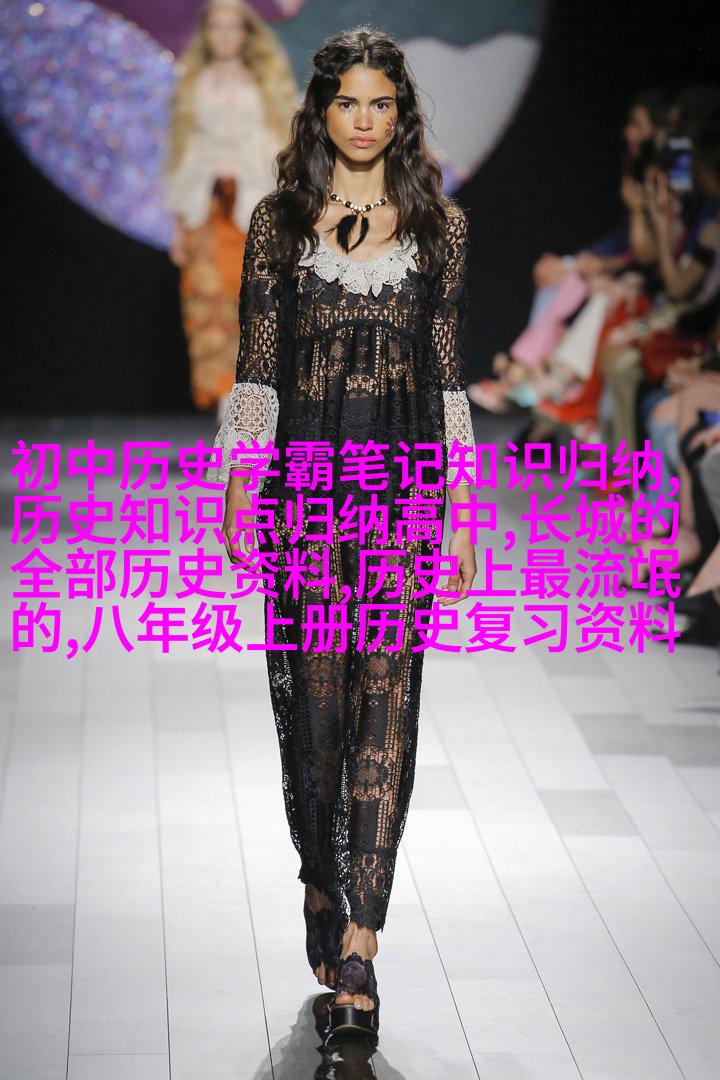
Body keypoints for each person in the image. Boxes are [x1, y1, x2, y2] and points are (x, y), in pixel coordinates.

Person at [206, 26, 477, 1038]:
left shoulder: (439, 227)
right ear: (321, 112)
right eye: (348, 103)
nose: (364, 121)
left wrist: (462, 513)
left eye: (381, 104)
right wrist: (240, 490)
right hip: (308, 495)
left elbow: (446, 378)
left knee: (387, 709)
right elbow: (257, 367)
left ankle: (362, 939)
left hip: (404, 493)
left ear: (401, 115)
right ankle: (322, 879)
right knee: (315, 720)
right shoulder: (278, 225)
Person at [164, 0, 297, 421]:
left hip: (254, 205)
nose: (224, 36)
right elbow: (181, 150)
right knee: (208, 303)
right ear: (206, 33)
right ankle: (226, 403)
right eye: (216, 27)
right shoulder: (192, 82)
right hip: (204, 206)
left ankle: (260, 402)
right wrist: (177, 224)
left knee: (258, 300)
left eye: (232, 27)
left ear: (245, 33)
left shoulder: (266, 79)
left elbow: (283, 146)